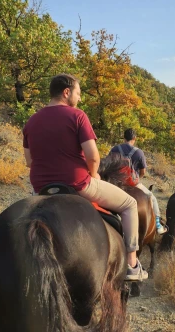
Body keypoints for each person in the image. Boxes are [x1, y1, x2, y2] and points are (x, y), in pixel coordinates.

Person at [22, 74, 147, 281]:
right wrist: (94, 174)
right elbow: (93, 156)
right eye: (78, 93)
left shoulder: (32, 121)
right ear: (66, 92)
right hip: (77, 184)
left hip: (40, 188)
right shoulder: (77, 116)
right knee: (130, 204)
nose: (79, 99)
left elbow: (29, 161)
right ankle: (132, 264)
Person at [109, 128, 168, 235]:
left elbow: (108, 166)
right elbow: (143, 172)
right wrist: (136, 178)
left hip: (116, 183)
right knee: (152, 198)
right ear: (134, 138)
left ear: (124, 137)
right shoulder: (139, 152)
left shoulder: (114, 149)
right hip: (133, 183)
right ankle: (158, 226)